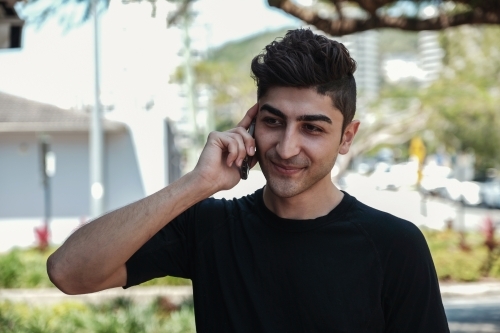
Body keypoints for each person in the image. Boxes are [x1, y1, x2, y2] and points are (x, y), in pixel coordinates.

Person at [47, 28, 449, 332]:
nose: (287, 147)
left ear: (347, 137)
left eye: (312, 128)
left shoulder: (394, 245)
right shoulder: (209, 227)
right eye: (274, 122)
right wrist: (197, 184)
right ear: (252, 122)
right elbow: (69, 272)